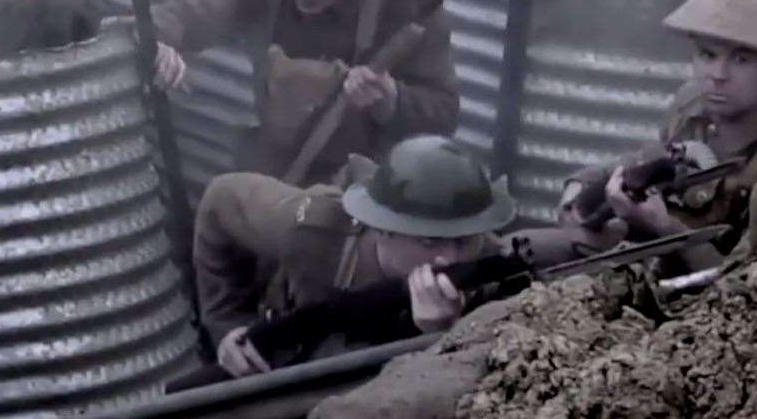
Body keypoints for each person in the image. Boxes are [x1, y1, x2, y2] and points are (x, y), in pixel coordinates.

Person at [150, 0, 459, 184]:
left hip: (366, 190)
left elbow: (443, 114)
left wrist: (391, 100)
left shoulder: (405, 1)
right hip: (275, 174)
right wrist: (160, 41)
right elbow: (191, 14)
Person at [194, 136, 519, 378]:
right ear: (381, 229)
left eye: (464, 239)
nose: (448, 258)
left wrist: (446, 334)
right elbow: (222, 198)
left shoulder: (495, 268)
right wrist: (228, 328)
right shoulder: (316, 233)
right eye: (428, 241)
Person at [553, 0, 757, 274]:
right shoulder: (692, 106)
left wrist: (664, 227)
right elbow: (651, 160)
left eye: (741, 60)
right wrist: (582, 186)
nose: (718, 74)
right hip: (644, 262)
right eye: (708, 55)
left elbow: (749, 283)